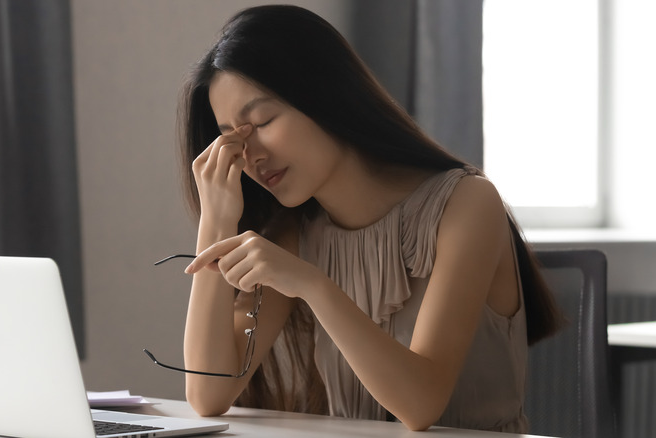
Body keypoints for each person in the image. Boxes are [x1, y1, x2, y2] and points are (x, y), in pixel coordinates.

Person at [166, 4, 563, 433]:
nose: (252, 155)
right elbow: (208, 394)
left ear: (323, 94)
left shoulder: (466, 202)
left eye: (261, 121)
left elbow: (421, 405)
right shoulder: (295, 233)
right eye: (233, 140)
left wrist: (314, 285)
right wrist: (215, 223)